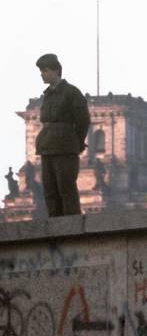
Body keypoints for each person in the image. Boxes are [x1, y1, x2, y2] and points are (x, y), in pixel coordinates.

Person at [33, 53, 90, 217]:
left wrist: (76, 142)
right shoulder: (48, 95)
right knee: (50, 188)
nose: (42, 74)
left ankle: (72, 223)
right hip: (47, 146)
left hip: (65, 146)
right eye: (41, 71)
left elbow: (83, 121)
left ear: (56, 70)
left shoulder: (71, 92)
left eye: (45, 70)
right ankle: (55, 223)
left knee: (66, 186)